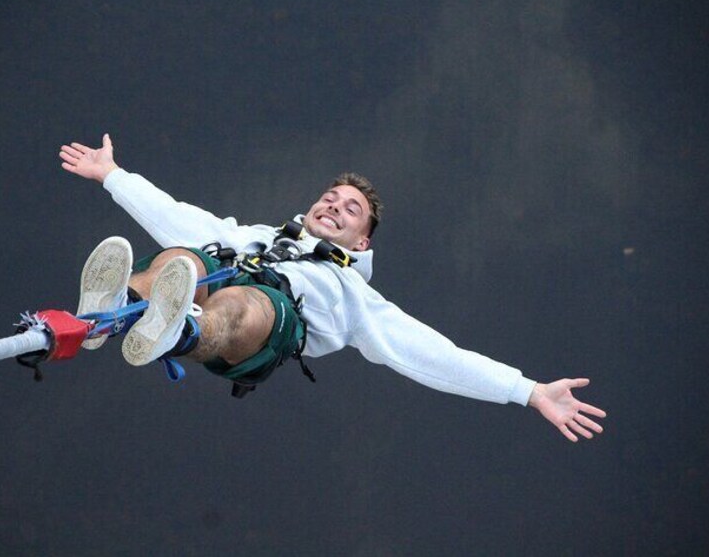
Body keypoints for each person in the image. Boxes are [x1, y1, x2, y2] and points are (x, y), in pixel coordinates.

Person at [59, 134, 606, 442]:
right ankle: (118, 310)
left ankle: (178, 331)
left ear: (363, 242)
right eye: (331, 197)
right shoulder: (250, 236)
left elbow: (437, 354)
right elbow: (175, 215)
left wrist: (527, 390)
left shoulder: (353, 296)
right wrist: (113, 175)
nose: (333, 206)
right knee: (184, 254)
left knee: (239, 302)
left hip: (265, 325)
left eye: (351, 209)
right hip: (215, 275)